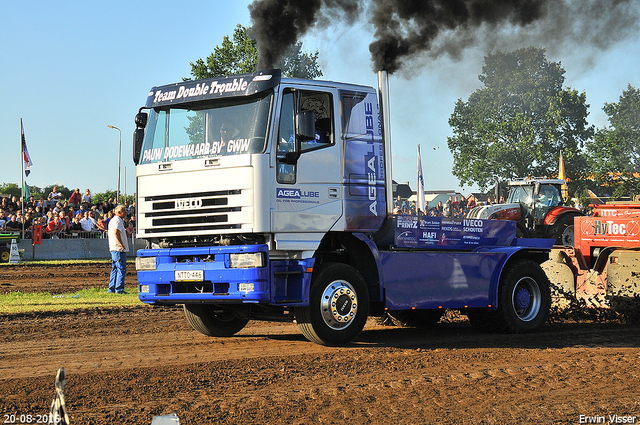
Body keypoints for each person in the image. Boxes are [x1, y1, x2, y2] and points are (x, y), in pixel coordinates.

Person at [108, 205, 129, 294]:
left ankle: (111, 288)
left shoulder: (112, 220)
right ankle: (119, 289)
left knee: (115, 268)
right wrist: (121, 244)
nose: (126, 213)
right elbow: (116, 232)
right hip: (119, 248)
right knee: (121, 268)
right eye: (125, 211)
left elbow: (110, 233)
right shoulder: (118, 221)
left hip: (113, 247)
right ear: (119, 213)